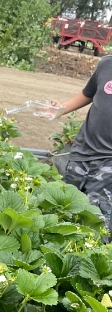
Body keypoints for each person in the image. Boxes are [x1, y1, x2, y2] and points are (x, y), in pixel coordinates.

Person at [50, 55, 112, 231]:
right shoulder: (106, 64)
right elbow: (87, 94)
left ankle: (95, 254)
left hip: (109, 161)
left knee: (96, 220)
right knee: (65, 206)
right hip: (82, 152)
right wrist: (60, 109)